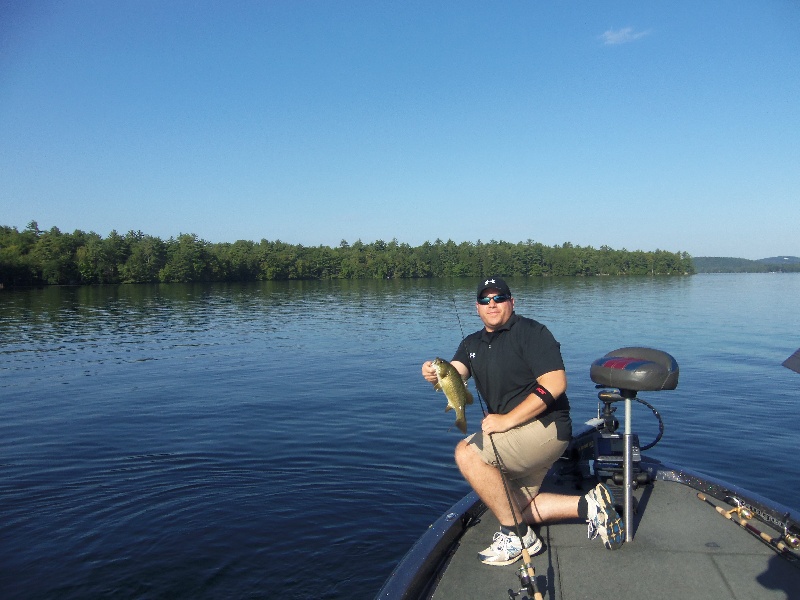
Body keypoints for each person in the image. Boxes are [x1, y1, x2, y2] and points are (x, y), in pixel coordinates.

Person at [421, 276, 625, 566]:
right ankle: (590, 506)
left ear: (512, 302)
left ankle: (520, 538)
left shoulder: (532, 333)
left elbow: (554, 383)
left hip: (546, 428)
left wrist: (506, 420)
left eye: (499, 298)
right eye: (485, 300)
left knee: (466, 454)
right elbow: (455, 372)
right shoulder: (471, 344)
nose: (492, 304)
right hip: (516, 437)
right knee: (510, 506)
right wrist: (431, 370)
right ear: (477, 307)